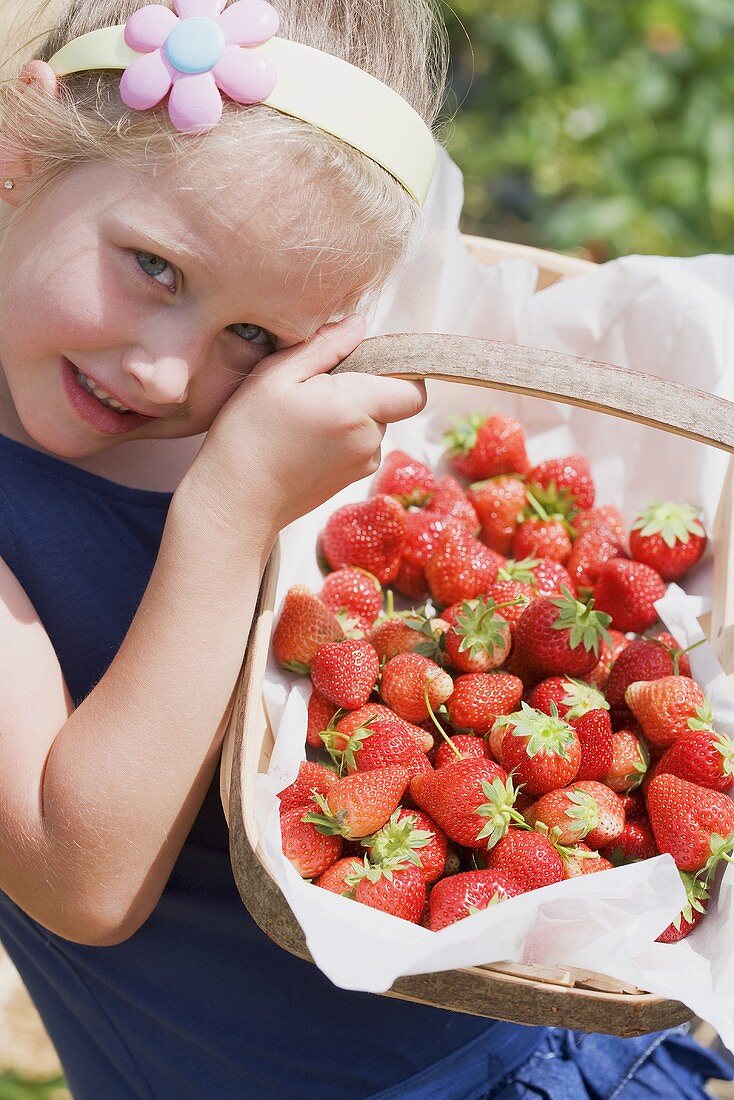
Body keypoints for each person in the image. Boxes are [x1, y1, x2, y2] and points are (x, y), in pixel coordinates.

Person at [0, 1, 730, 1097]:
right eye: (154, 266)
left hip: (583, 1054)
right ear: (17, 149)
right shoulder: (217, 471)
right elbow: (80, 881)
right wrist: (229, 504)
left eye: (254, 334)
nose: (165, 372)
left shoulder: (278, 411)